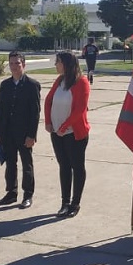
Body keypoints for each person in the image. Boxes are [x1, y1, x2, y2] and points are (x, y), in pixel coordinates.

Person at [44, 51, 91, 218]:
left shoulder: (82, 82)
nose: (56, 65)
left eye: (58, 62)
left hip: (74, 133)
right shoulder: (59, 81)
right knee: (64, 166)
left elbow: (80, 109)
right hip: (57, 133)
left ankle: (75, 202)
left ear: (66, 64)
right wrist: (48, 122)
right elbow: (48, 100)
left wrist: (65, 125)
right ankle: (64, 202)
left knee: (77, 167)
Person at [0, 51, 41, 209]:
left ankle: (28, 194)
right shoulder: (5, 85)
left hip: (24, 133)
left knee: (26, 164)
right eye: (12, 63)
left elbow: (35, 113)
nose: (14, 67)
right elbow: (1, 110)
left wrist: (31, 135)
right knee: (10, 164)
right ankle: (11, 193)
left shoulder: (32, 85)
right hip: (8, 132)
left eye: (17, 63)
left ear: (24, 65)